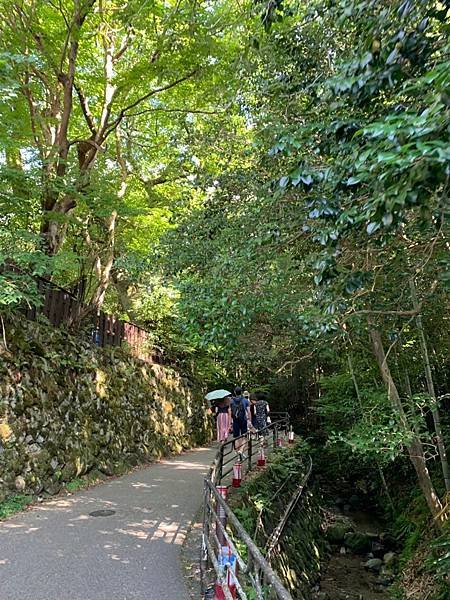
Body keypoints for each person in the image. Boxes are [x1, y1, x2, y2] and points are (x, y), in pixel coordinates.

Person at [231, 386, 251, 455]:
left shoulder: (231, 400)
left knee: (236, 437)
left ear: (234, 392)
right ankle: (241, 450)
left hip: (235, 420)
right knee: (245, 436)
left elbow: (230, 412)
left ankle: (237, 455)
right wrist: (249, 420)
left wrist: (230, 422)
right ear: (241, 392)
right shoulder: (245, 400)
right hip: (243, 419)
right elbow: (248, 411)